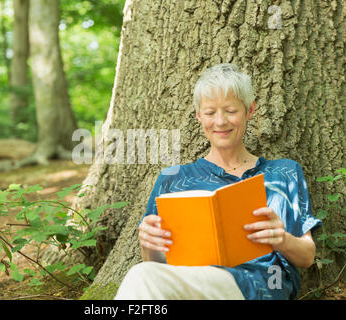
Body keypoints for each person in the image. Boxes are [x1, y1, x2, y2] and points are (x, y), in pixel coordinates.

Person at [114, 63, 322, 300]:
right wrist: (149, 245)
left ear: (250, 110)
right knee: (144, 274)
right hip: (191, 286)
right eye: (210, 113)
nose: (220, 122)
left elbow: (306, 257)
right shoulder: (174, 178)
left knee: (143, 276)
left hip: (261, 285)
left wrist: (281, 239)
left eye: (231, 111)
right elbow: (158, 267)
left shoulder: (283, 172)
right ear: (198, 116)